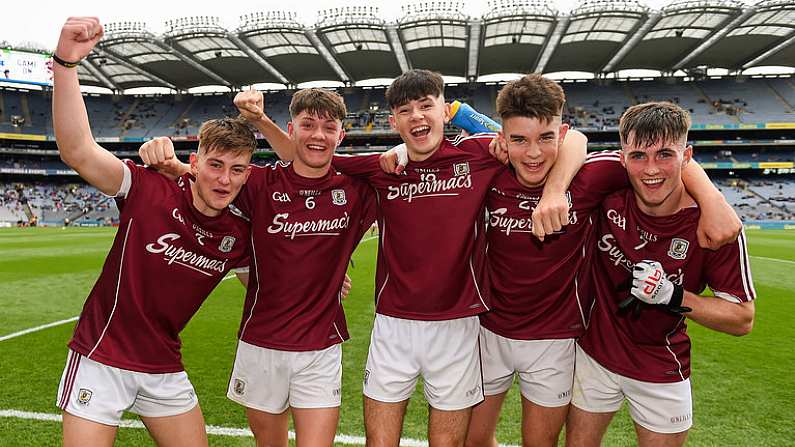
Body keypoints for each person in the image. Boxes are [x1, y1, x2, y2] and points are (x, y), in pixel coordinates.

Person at [235, 69, 588, 447]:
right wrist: (260, 121)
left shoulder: (480, 154)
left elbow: (574, 139)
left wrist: (554, 190)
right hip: (393, 326)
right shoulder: (381, 167)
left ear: (444, 113)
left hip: (458, 325)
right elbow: (306, 156)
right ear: (394, 121)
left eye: (426, 106)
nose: (417, 116)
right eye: (406, 110)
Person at [383, 76, 741, 447]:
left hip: (555, 339)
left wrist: (713, 201)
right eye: (519, 141)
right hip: (487, 331)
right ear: (502, 141)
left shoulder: (590, 177)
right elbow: (430, 150)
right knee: (474, 440)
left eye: (546, 139)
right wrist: (401, 151)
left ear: (563, 133)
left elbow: (658, 162)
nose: (533, 154)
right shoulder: (490, 167)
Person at [52, 17, 253, 447]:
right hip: (99, 356)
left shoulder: (237, 234)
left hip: (163, 363)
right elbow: (78, 150)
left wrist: (326, 280)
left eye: (236, 170)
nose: (223, 179)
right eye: (215, 165)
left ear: (246, 176)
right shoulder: (147, 188)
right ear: (195, 162)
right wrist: (66, 64)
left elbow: (269, 287)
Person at [141, 87, 375, 447]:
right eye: (308, 124)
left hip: (320, 345)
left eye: (329, 127)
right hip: (261, 342)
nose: (318, 134)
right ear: (291, 128)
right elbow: (211, 178)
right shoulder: (258, 182)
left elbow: (412, 167)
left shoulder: (358, 189)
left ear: (341, 135)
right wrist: (169, 162)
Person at [566, 102, 756, 447]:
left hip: (661, 365)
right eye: (638, 156)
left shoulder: (716, 226)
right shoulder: (607, 188)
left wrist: (674, 296)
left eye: (665, 154)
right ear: (622, 158)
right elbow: (552, 147)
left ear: (687, 157)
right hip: (595, 355)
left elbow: (742, 318)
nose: (650, 169)